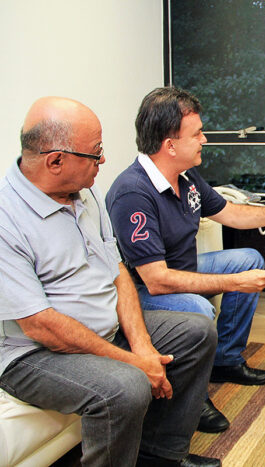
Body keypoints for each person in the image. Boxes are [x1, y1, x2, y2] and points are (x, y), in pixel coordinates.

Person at [0, 97, 220, 467]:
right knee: (127, 387)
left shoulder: (85, 194)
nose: (103, 161)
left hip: (103, 328)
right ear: (55, 161)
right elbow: (41, 325)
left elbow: (118, 271)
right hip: (33, 355)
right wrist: (133, 361)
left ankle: (159, 456)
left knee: (197, 331)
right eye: (96, 152)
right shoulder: (7, 219)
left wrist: (143, 345)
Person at [106, 87, 265, 432]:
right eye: (197, 134)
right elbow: (157, 280)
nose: (204, 139)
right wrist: (232, 283)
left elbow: (233, 214)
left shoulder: (185, 176)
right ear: (170, 145)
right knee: (198, 309)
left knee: (250, 259)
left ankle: (225, 360)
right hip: (143, 291)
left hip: (182, 271)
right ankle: (191, 394)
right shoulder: (132, 193)